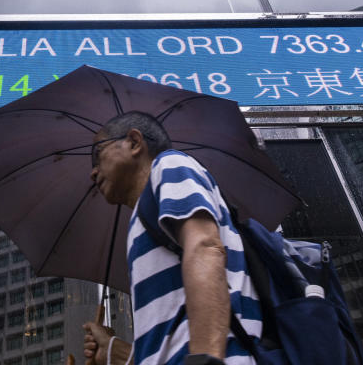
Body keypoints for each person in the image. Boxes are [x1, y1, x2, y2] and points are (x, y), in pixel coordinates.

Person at [83, 111, 259, 365]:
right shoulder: (141, 220)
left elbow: (205, 247)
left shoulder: (169, 165)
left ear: (134, 142)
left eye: (96, 155)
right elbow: (171, 342)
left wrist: (205, 361)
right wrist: (115, 354)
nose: (92, 172)